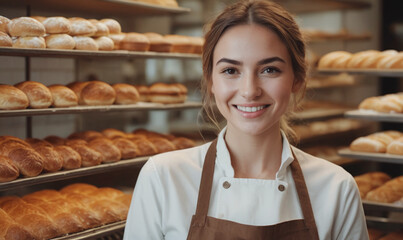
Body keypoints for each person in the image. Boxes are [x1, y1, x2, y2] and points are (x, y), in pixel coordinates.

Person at [123, 0, 369, 239]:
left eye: (269, 69)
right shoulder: (164, 178)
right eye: (231, 71)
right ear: (211, 81)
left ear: (297, 79)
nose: (250, 90)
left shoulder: (336, 188)